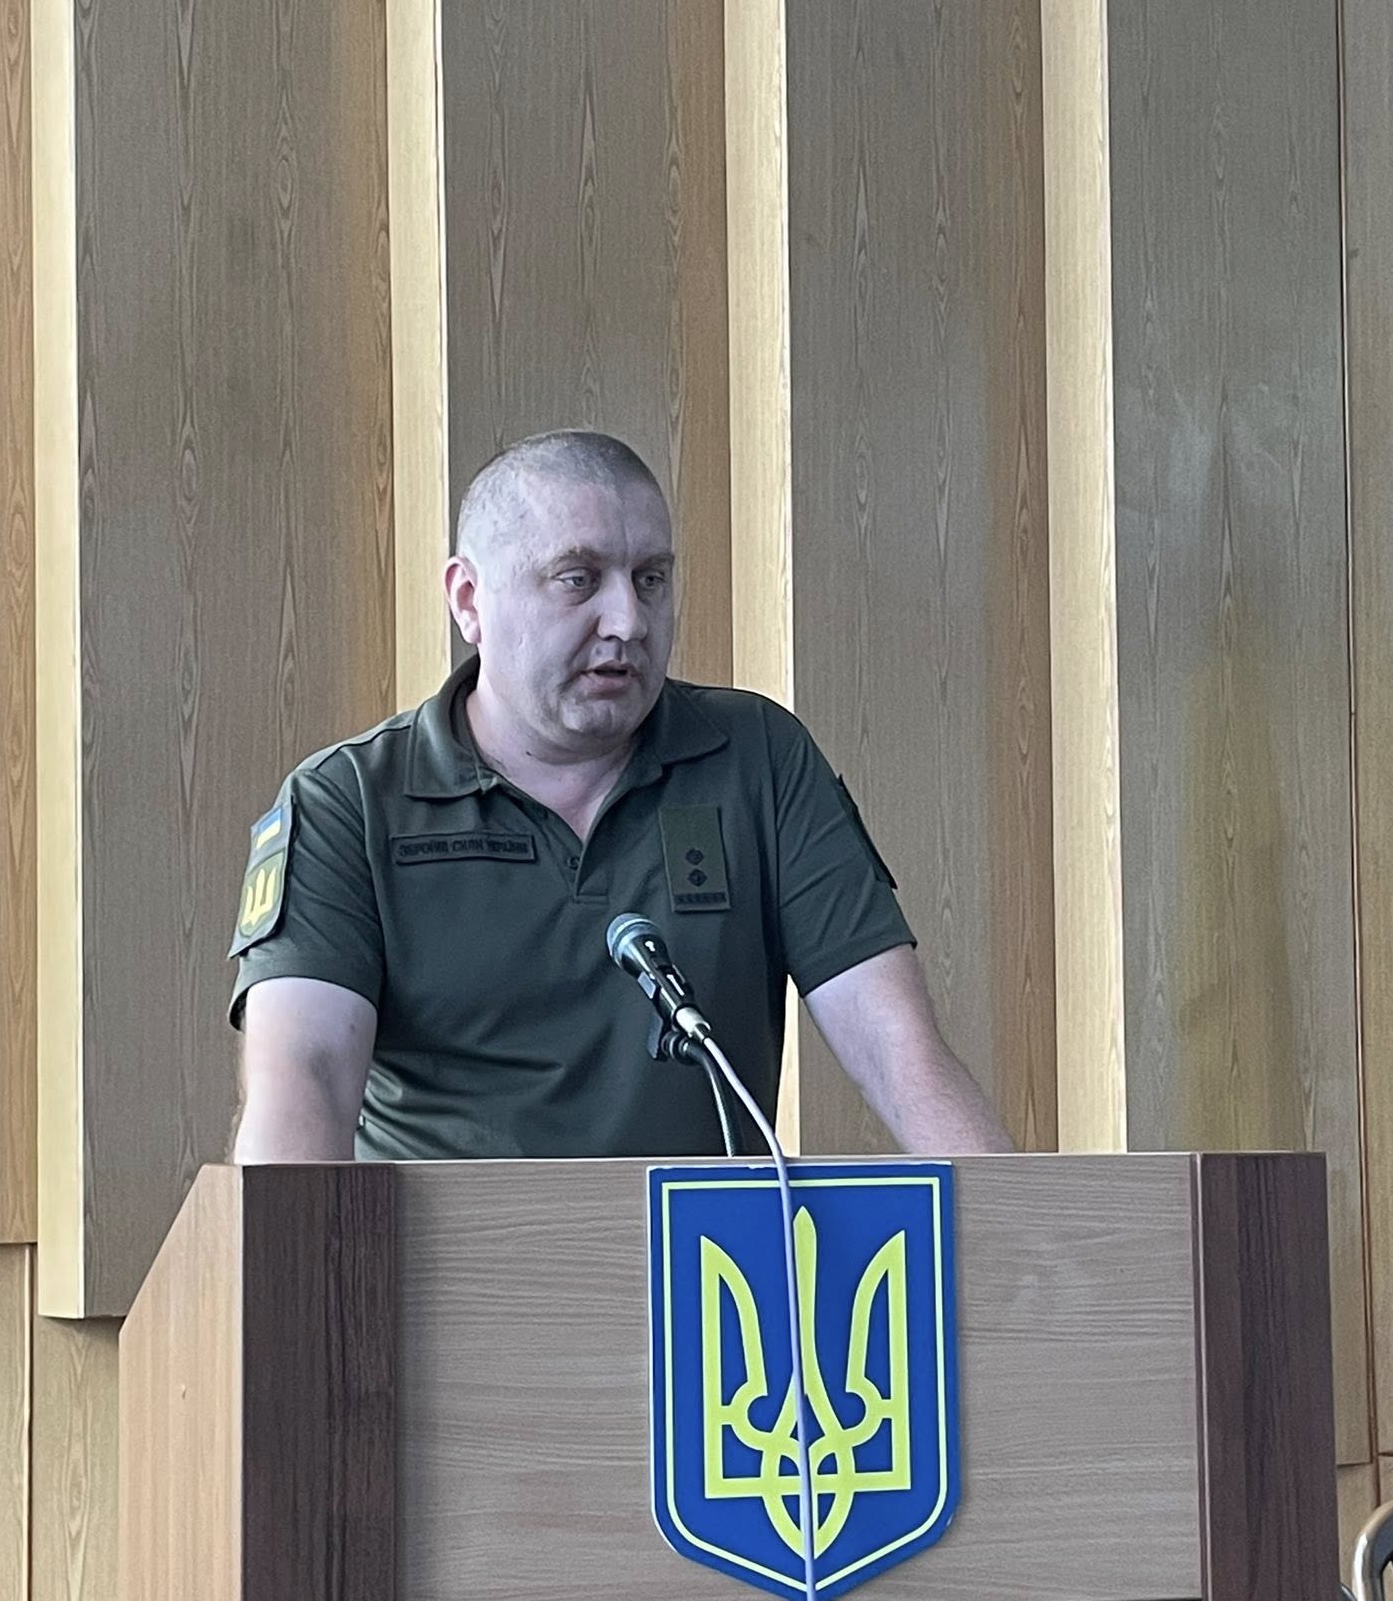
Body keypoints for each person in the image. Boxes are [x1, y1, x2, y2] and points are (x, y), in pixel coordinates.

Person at [229, 430, 1011, 1161]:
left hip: (706, 1258)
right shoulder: (348, 804)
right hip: (445, 1259)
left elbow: (899, 1054)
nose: (629, 621)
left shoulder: (757, 758)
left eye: (651, 579)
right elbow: (305, 1084)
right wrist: (290, 1262)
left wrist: (1029, 1242)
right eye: (578, 579)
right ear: (469, 600)